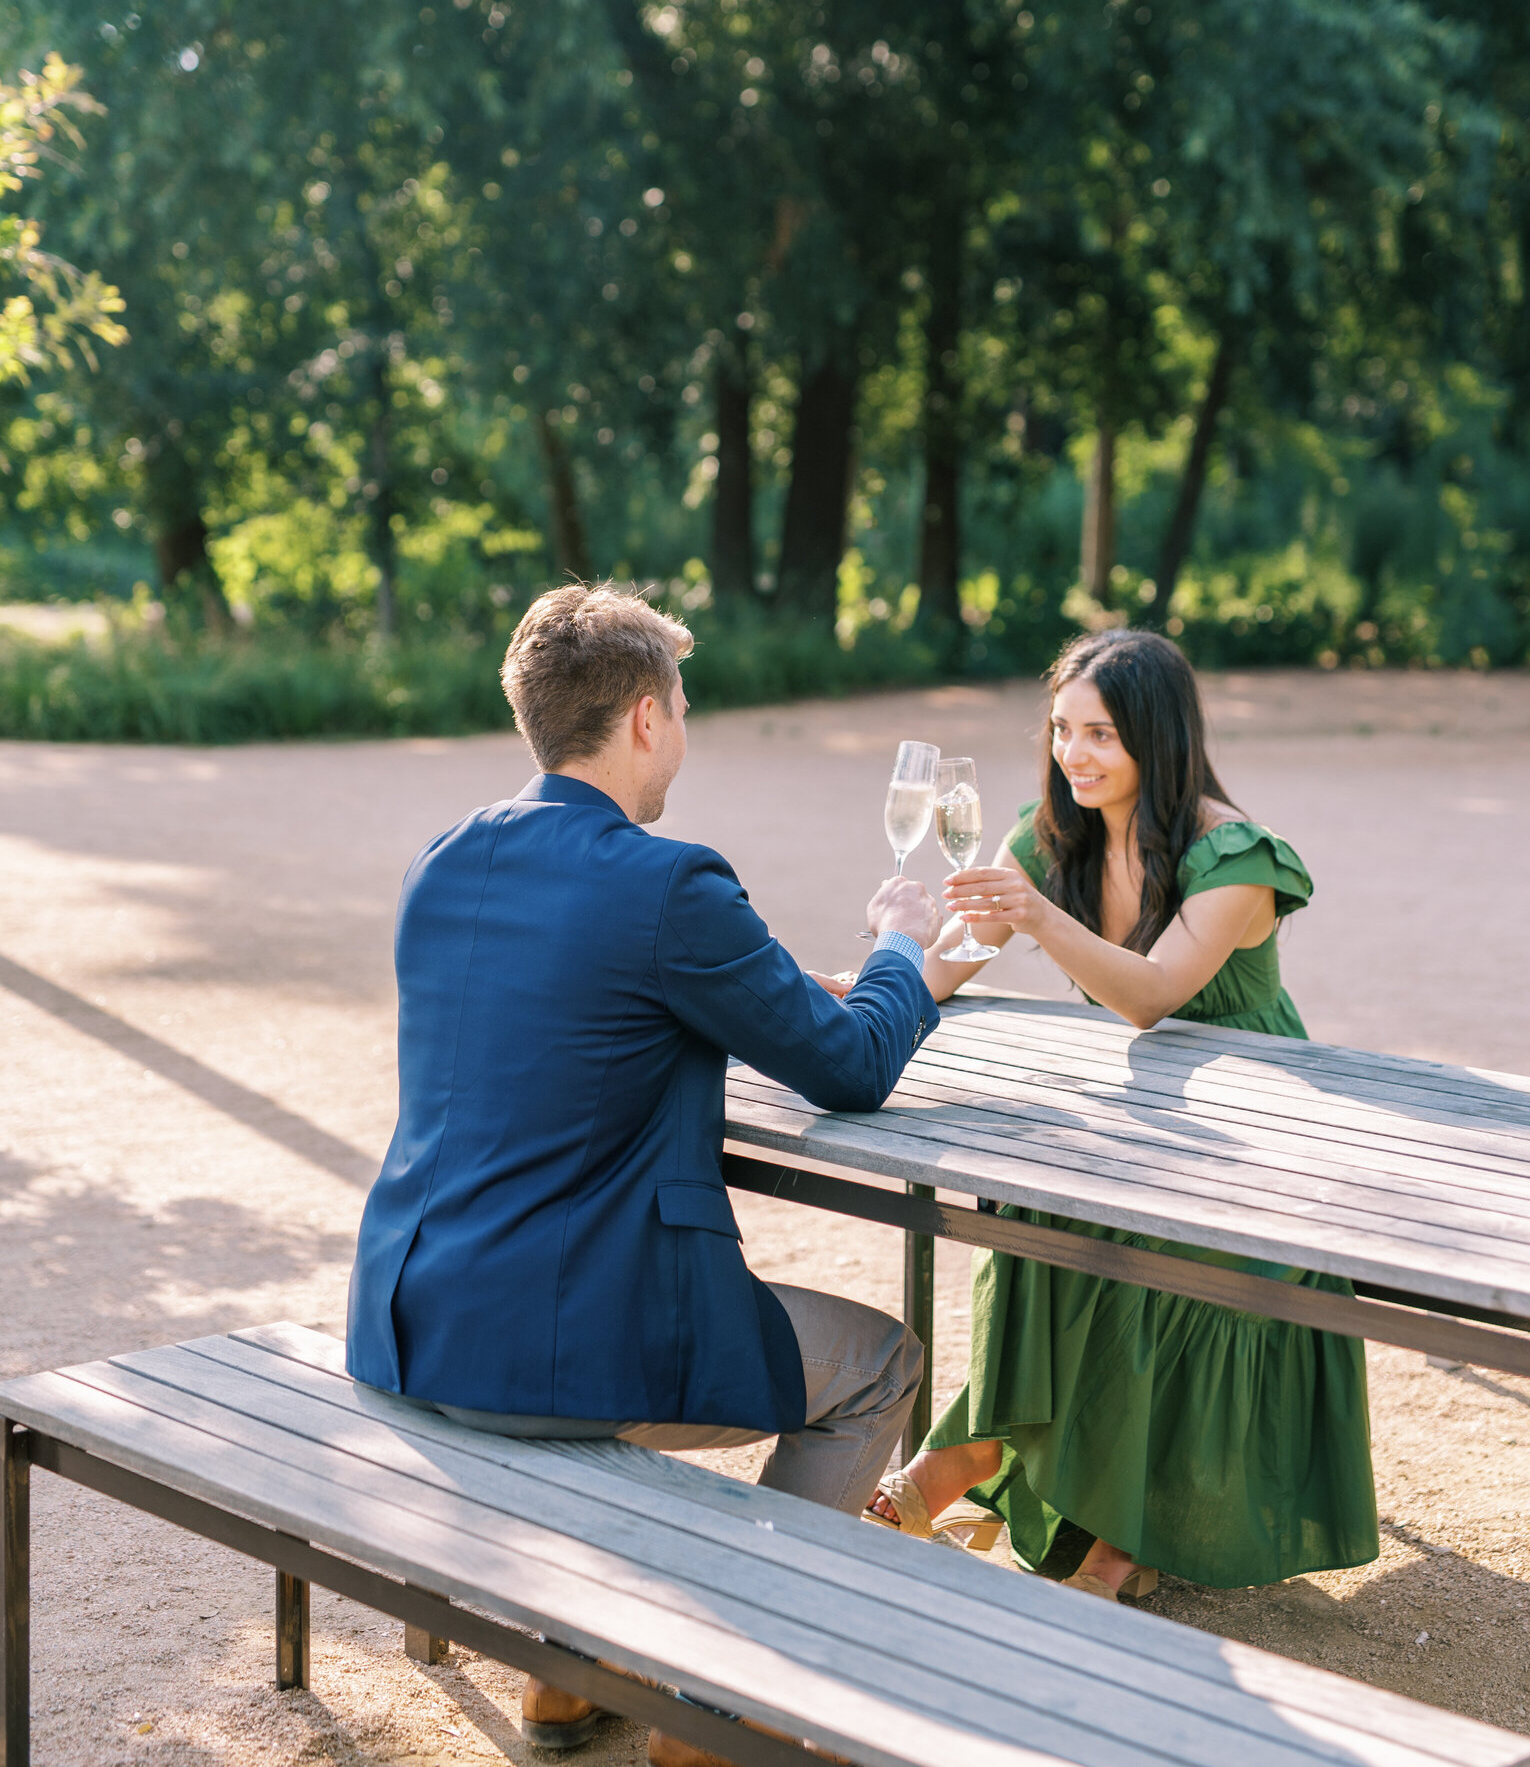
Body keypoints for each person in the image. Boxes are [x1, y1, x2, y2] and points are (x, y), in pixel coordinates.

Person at [345, 581, 942, 1766]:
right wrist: (902, 949)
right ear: (644, 719)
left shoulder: (445, 858)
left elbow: (571, 1011)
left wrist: (769, 987)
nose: (685, 727)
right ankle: (724, 1703)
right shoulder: (669, 882)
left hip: (412, 1324)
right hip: (556, 1353)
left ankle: (578, 1676)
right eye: (683, 703)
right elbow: (854, 1066)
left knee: (651, 1356)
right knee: (881, 1366)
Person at [865, 627, 1379, 1598]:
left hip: (1259, 1123)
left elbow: (1152, 994)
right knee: (1028, 1214)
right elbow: (944, 964)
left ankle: (1127, 1534)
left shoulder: (1234, 856)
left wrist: (1038, 916)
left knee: (1170, 1262)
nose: (1074, 755)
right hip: (1146, 1110)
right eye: (1061, 729)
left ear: (1158, 737)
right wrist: (861, 984)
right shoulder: (1050, 833)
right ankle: (970, 1454)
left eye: (1099, 734)